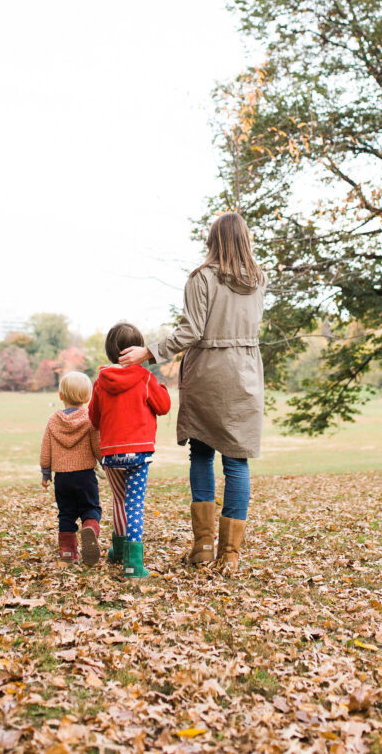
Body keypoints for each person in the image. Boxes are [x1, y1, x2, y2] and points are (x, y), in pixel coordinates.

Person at [119, 212, 265, 573]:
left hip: (209, 373)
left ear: (214, 239)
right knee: (237, 460)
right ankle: (229, 556)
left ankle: (203, 547)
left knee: (201, 454)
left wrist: (148, 352)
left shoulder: (202, 278)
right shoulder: (259, 279)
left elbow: (191, 332)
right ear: (244, 239)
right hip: (246, 373)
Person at [88, 322, 171, 578]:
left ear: (110, 351)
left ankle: (118, 550)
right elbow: (163, 406)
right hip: (139, 453)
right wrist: (163, 390)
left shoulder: (101, 380)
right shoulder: (146, 378)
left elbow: (94, 418)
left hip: (112, 453)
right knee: (134, 504)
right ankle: (133, 563)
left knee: (119, 501)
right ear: (138, 348)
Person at [40, 371, 102, 565]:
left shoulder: (53, 421)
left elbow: (46, 449)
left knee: (66, 513)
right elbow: (97, 446)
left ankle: (67, 554)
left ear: (60, 396)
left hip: (62, 479)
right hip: (85, 476)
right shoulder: (90, 419)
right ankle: (90, 528)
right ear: (87, 397)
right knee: (90, 508)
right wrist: (105, 463)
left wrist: (45, 472)